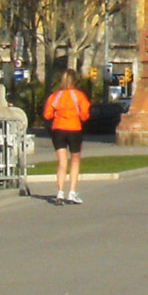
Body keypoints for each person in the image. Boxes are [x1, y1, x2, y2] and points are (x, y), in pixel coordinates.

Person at [41, 70, 92, 204]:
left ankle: (60, 192)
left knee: (62, 162)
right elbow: (85, 115)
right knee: (75, 160)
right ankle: (72, 192)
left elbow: (47, 115)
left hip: (58, 129)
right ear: (75, 81)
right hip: (74, 129)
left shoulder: (55, 96)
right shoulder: (78, 96)